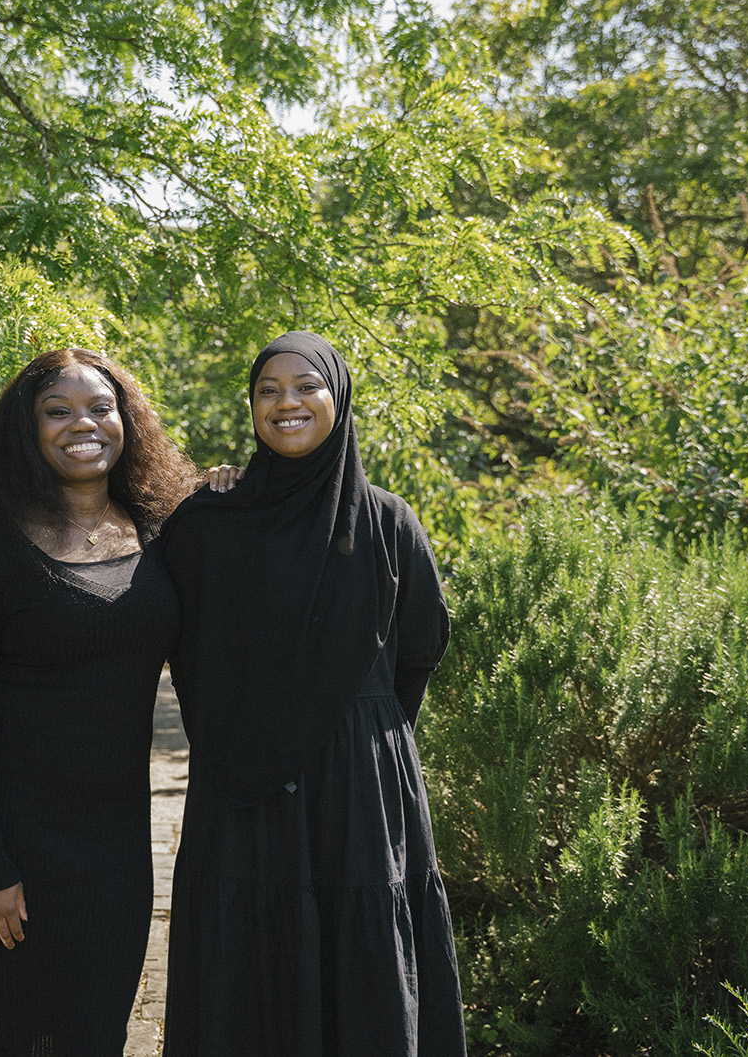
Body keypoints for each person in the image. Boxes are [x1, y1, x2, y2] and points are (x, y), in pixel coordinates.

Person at [159, 330, 466, 1056]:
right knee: (249, 954)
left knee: (360, 952)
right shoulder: (209, 521)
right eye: (268, 390)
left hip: (358, 790)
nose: (286, 402)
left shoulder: (389, 521)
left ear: (340, 396)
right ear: (252, 407)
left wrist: (359, 727)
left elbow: (420, 648)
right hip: (241, 790)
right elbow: (167, 627)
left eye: (306, 387)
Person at [0, 347, 200, 1056]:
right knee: (18, 1037)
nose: (83, 423)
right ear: (28, 429)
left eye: (100, 406)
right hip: (12, 836)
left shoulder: (158, 531)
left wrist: (236, 483)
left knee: (96, 1034)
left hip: (115, 842)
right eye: (58, 410)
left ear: (127, 421)